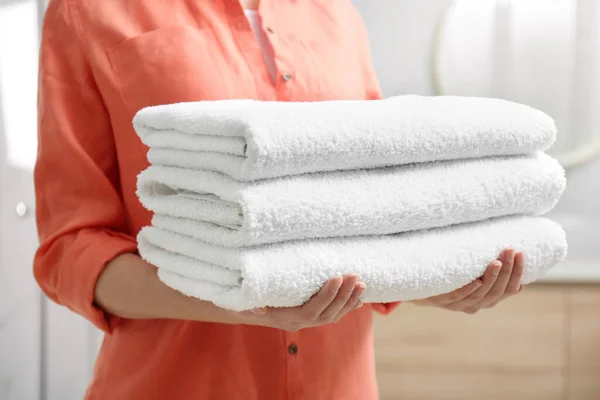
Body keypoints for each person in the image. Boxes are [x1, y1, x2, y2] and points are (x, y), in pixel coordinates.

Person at [33, 0, 525, 398]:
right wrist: (239, 297)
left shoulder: (337, 13)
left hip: (340, 386)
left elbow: (374, 198)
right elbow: (69, 248)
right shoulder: (88, 11)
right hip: (177, 383)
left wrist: (429, 277)